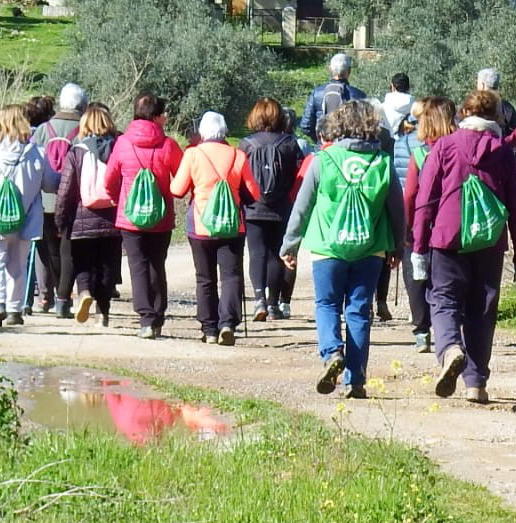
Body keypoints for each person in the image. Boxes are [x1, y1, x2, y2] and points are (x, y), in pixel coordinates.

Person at [409, 89, 516, 405]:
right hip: (489, 242)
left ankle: (450, 348)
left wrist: (419, 247)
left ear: (463, 113)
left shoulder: (445, 147)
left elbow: (425, 202)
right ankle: (475, 383)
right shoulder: (503, 153)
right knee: (482, 310)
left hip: (448, 239)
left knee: (444, 299)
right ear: (497, 119)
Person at [281, 100, 407, 399]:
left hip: (328, 248)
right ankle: (356, 380)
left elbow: (302, 206)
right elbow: (397, 212)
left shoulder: (322, 160)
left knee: (326, 305)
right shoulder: (383, 164)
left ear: (339, 125)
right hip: (370, 249)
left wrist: (291, 244)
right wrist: (396, 247)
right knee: (359, 312)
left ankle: (331, 352)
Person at [171, 111, 260, 345]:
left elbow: (177, 190)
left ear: (201, 132)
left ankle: (209, 329)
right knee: (231, 276)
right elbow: (254, 193)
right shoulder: (237, 155)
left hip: (200, 225)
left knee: (205, 278)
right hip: (232, 226)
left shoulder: (193, 154)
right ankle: (227, 323)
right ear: (225, 132)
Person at [0, 104, 58, 327]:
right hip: (25, 218)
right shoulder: (36, 152)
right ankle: (14, 309)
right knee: (18, 264)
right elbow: (50, 184)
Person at [105, 94, 183, 339]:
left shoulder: (122, 143)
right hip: (160, 216)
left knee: (137, 266)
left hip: (130, 217)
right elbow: (181, 178)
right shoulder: (168, 144)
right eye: (164, 113)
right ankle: (158, 315)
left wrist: (116, 197)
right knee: (157, 265)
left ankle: (146, 319)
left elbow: (109, 178)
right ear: (157, 116)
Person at [54, 102, 122, 327]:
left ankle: (84, 293)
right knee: (107, 264)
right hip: (112, 216)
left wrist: (61, 220)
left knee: (83, 261)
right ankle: (103, 312)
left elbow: (66, 190)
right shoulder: (118, 148)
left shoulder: (77, 152)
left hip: (83, 216)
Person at [241, 98, 305, 323]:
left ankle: (259, 298)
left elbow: (239, 175)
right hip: (282, 207)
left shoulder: (246, 144)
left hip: (253, 206)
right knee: (278, 254)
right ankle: (274, 303)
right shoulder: (289, 143)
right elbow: (299, 176)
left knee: (257, 253)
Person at [395, 95, 449, 354]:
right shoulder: (455, 149)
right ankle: (445, 326)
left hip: (420, 225)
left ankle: (421, 330)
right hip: (448, 225)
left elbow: (410, 195)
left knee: (415, 276)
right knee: (442, 278)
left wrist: (405, 228)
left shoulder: (420, 153)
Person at [30, 83, 87, 317]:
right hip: (74, 200)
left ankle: (47, 296)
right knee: (70, 249)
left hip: (45, 199)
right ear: (82, 104)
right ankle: (67, 295)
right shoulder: (83, 129)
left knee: (47, 250)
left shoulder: (44, 129)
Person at [298, 52, 366, 140]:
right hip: (347, 149)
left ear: (330, 69)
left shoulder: (317, 93)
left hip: (324, 148)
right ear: (349, 71)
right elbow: (365, 126)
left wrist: (320, 139)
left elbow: (305, 125)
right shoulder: (359, 95)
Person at [380, 72, 414, 137]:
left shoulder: (382, 107)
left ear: (393, 86)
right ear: (408, 87)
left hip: (387, 144)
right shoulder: (416, 108)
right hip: (408, 145)